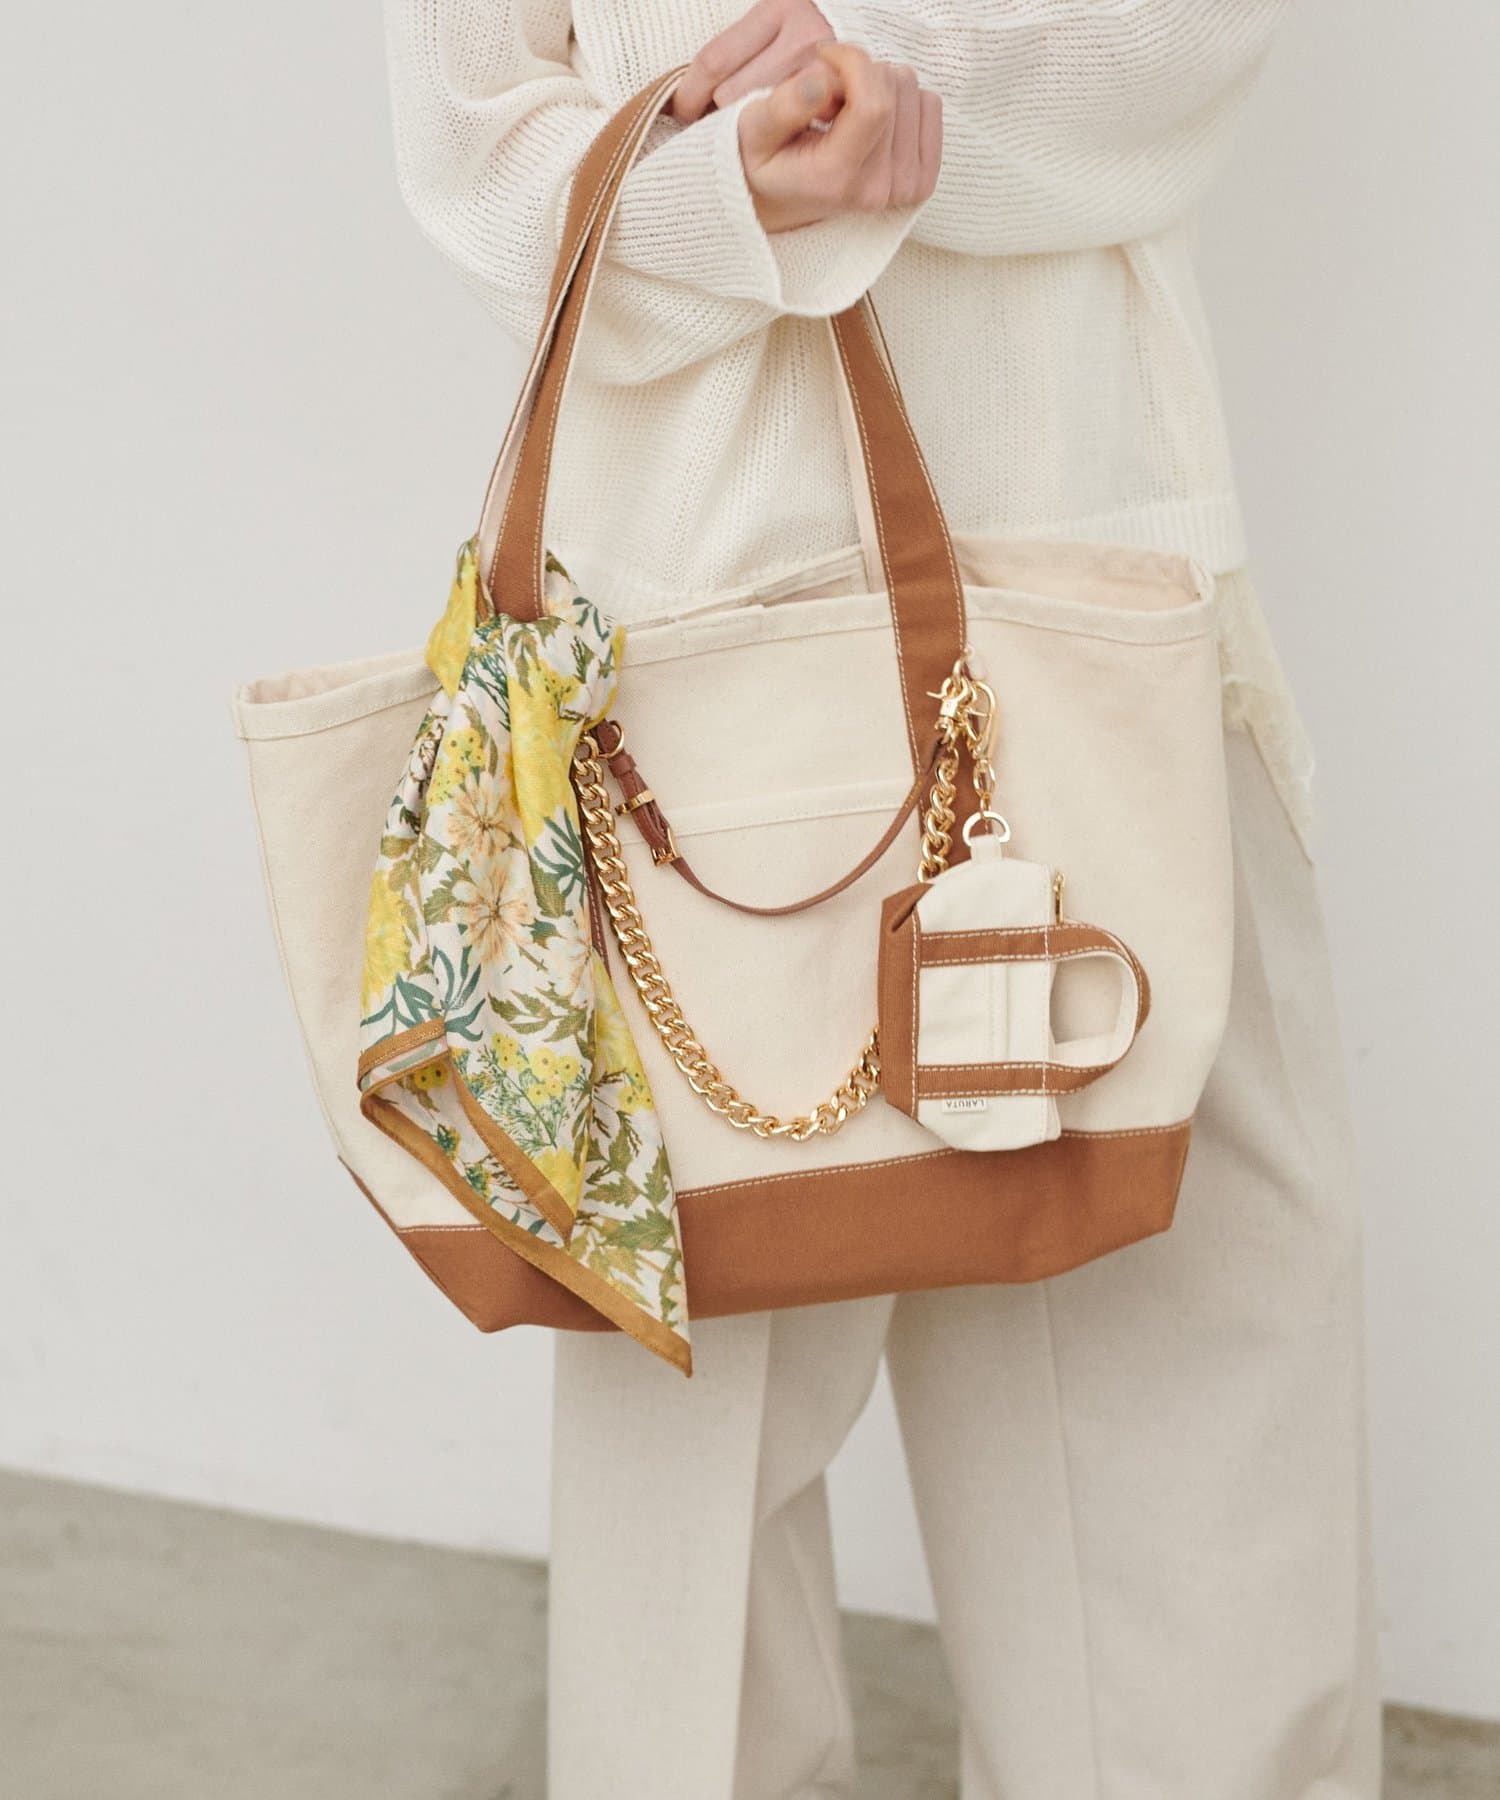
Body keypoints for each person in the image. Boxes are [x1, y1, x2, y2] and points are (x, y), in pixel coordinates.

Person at [385, 4, 1380, 1795]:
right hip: (690, 627)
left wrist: (879, 79)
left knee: (1188, 1364)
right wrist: (724, 187)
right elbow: (471, 146)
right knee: (699, 1419)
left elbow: (1191, 37)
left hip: (1096, 560)